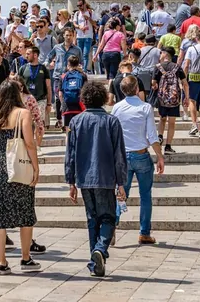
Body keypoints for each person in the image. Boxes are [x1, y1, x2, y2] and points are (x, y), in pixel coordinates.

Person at [65, 82, 127, 278]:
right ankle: (100, 249)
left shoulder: (76, 122)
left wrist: (71, 181)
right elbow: (119, 155)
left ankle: (95, 260)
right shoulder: (112, 121)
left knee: (92, 219)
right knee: (108, 217)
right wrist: (121, 182)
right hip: (106, 177)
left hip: (84, 177)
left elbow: (71, 154)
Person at [0, 81, 41, 275]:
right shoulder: (23, 114)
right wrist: (35, 166)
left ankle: (2, 263)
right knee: (25, 213)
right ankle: (25, 259)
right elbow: (30, 143)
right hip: (18, 168)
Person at [110, 75, 165, 245]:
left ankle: (112, 227)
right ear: (136, 89)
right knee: (145, 195)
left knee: (121, 194)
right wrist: (160, 156)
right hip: (141, 154)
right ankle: (144, 232)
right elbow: (152, 135)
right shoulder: (145, 107)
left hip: (122, 156)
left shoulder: (117, 108)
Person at [153, 47, 190, 155]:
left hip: (162, 99)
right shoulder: (177, 67)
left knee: (162, 118)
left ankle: (160, 136)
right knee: (172, 123)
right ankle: (168, 147)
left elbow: (153, 83)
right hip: (174, 99)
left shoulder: (158, 67)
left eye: (161, 53)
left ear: (165, 54)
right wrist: (186, 98)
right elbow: (185, 84)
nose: (160, 55)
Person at [46, 28, 82, 127]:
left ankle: (68, 117)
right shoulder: (57, 47)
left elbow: (81, 62)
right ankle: (59, 119)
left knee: (69, 96)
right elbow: (49, 56)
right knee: (58, 97)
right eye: (67, 35)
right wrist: (47, 64)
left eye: (70, 35)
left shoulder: (77, 49)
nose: (68, 37)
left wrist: (79, 68)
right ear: (63, 36)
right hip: (58, 76)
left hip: (71, 76)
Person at [20, 46, 51, 142]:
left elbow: (48, 87)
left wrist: (49, 103)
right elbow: (18, 85)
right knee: (26, 122)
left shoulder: (43, 69)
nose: (26, 55)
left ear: (35, 55)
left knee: (39, 123)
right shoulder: (23, 68)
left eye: (28, 54)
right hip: (26, 99)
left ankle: (38, 146)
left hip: (40, 99)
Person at [58, 55, 87, 131]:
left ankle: (68, 143)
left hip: (67, 107)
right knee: (79, 131)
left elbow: (60, 94)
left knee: (68, 132)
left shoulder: (63, 76)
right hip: (79, 107)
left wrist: (63, 104)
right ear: (78, 64)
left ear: (68, 64)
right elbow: (86, 92)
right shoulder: (83, 75)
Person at [73, 0, 97, 73]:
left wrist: (89, 18)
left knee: (85, 53)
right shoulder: (77, 13)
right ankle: (80, 68)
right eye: (78, 6)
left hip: (88, 36)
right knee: (79, 53)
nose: (79, 7)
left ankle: (84, 69)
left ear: (84, 4)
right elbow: (74, 24)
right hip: (79, 36)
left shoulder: (91, 12)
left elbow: (95, 24)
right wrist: (80, 27)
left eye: (80, 5)